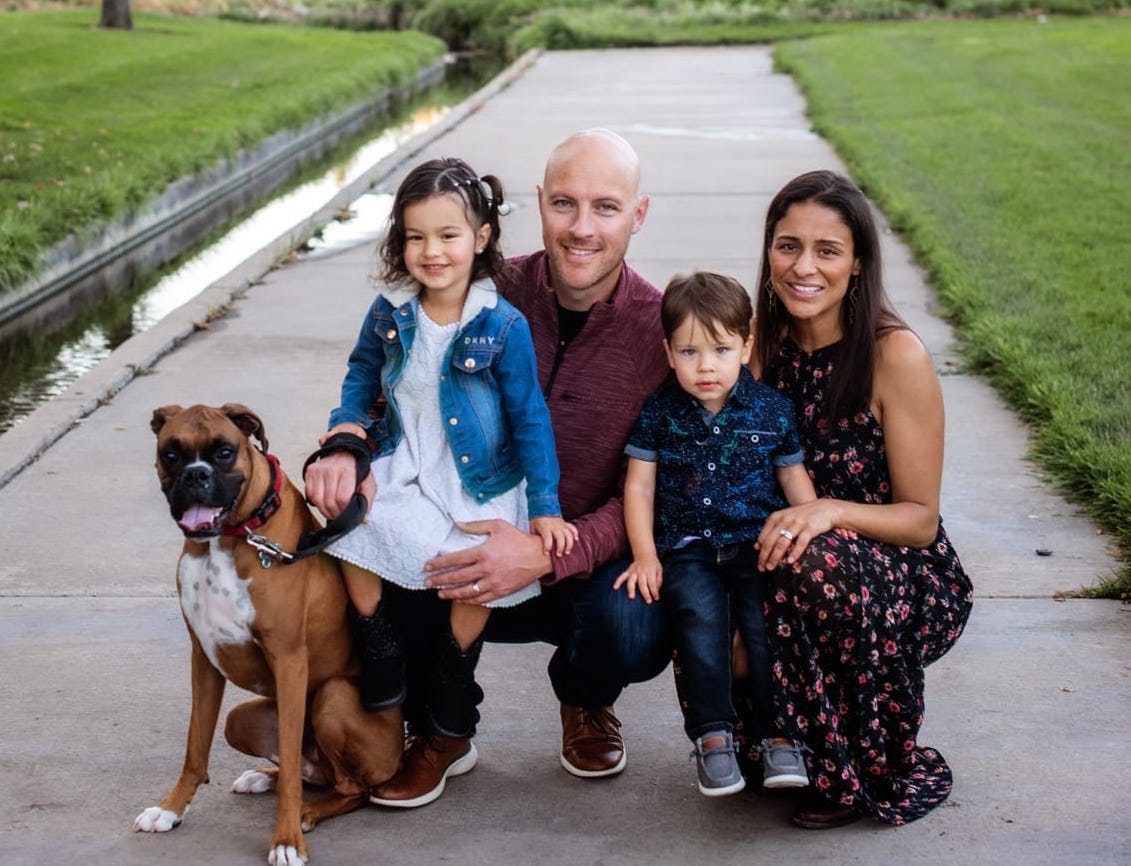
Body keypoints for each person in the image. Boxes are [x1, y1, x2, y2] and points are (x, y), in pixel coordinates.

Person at [306, 129, 673, 807]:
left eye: (606, 207)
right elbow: (393, 390)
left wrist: (545, 551)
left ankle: (586, 700)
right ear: (537, 204)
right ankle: (436, 728)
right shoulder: (475, 286)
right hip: (460, 534)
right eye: (564, 203)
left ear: (638, 214)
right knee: (363, 541)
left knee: (635, 625)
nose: (581, 228)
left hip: (573, 552)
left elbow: (659, 488)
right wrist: (345, 446)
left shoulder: (657, 330)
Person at [310, 156, 577, 806]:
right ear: (400, 242)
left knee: (472, 558)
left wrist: (543, 504)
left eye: (448, 235)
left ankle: (453, 681)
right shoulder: (389, 311)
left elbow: (530, 418)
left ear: (481, 238)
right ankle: (381, 651)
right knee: (354, 527)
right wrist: (346, 436)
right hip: (406, 456)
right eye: (416, 236)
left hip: (478, 477)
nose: (432, 251)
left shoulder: (500, 325)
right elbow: (359, 379)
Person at [746, 170, 973, 828]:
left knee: (815, 561)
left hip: (898, 573)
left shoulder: (892, 354)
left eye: (826, 250)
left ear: (857, 263)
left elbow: (919, 520)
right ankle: (770, 738)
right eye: (788, 246)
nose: (803, 267)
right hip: (788, 556)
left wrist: (829, 511)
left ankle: (853, 766)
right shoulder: (759, 346)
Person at [614, 271, 817, 797]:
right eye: (689, 352)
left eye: (721, 349)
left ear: (746, 346)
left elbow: (793, 479)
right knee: (701, 630)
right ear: (668, 351)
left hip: (757, 547)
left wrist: (815, 532)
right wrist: (644, 555)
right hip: (688, 550)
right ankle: (713, 738)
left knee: (765, 631)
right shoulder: (660, 413)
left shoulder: (771, 410)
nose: (705, 366)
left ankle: (779, 737)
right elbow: (639, 488)